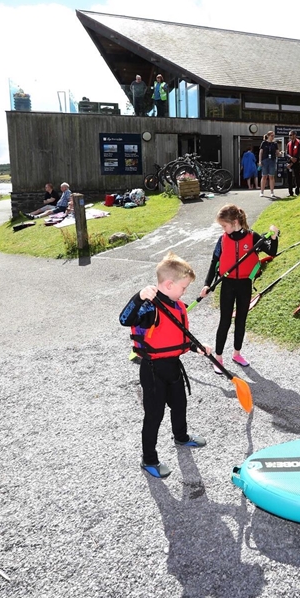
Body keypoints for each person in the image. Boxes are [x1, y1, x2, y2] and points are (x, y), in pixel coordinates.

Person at [119, 253, 210, 479]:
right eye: (183, 287)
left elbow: (177, 335)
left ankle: (181, 437)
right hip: (152, 370)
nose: (185, 292)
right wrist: (138, 297)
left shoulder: (176, 305)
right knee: (154, 415)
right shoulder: (149, 308)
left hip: (173, 366)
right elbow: (124, 319)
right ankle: (149, 459)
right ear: (169, 284)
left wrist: (196, 347)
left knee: (180, 405)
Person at [199, 205, 279, 372]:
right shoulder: (222, 240)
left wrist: (274, 236)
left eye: (224, 225)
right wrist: (207, 284)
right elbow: (214, 262)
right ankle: (218, 358)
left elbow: (272, 251)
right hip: (227, 285)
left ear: (235, 222)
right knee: (225, 321)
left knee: (241, 320)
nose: (223, 229)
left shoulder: (253, 237)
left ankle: (237, 354)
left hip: (244, 285)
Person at [258, 131, 278, 198]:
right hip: (265, 160)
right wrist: (260, 161)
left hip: (272, 160)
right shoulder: (264, 143)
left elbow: (277, 152)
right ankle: (262, 192)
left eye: (273, 136)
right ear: (268, 136)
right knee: (264, 176)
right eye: (272, 136)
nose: (273, 137)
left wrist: (280, 153)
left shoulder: (275, 143)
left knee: (271, 176)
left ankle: (272, 192)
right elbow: (261, 152)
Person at [286, 131, 300, 197]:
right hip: (289, 161)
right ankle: (290, 192)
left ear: (295, 135)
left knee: (297, 176)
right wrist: (290, 158)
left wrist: (293, 160)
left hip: (296, 162)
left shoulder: (299, 143)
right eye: (289, 135)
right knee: (289, 178)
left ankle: (297, 190)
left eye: (291, 135)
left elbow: (299, 153)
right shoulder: (288, 144)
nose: (290, 136)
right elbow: (287, 153)